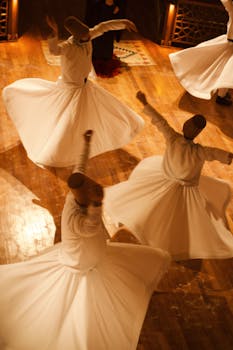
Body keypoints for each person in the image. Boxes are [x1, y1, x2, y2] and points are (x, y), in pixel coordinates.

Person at [0, 130, 170, 350]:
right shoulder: (75, 219)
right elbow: (90, 228)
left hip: (92, 253)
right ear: (79, 196)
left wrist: (86, 142)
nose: (91, 189)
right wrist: (98, 204)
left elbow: (80, 166)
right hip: (81, 260)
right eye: (88, 191)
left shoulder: (77, 192)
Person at [104, 91, 233, 260]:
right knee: (172, 215)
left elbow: (161, 123)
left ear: (187, 128)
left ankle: (157, 235)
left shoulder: (175, 139)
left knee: (163, 212)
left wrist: (146, 104)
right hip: (177, 186)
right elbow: (216, 153)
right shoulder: (199, 151)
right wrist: (228, 157)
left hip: (171, 183)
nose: (188, 126)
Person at [2, 15, 144, 168]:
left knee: (95, 112)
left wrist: (124, 23)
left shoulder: (88, 35)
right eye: (85, 36)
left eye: (88, 34)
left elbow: (104, 26)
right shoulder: (68, 47)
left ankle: (84, 140)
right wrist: (54, 33)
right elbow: (54, 50)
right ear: (76, 36)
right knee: (68, 120)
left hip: (84, 86)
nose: (89, 36)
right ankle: (60, 149)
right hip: (71, 88)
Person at [169, 0, 233, 106]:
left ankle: (222, 95)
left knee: (227, 68)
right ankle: (221, 95)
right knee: (228, 69)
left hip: (230, 42)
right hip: (230, 43)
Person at [85, 0, 125, 77]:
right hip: (97, 9)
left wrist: (116, 5)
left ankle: (105, 56)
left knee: (107, 33)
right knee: (96, 32)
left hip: (110, 8)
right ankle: (95, 56)